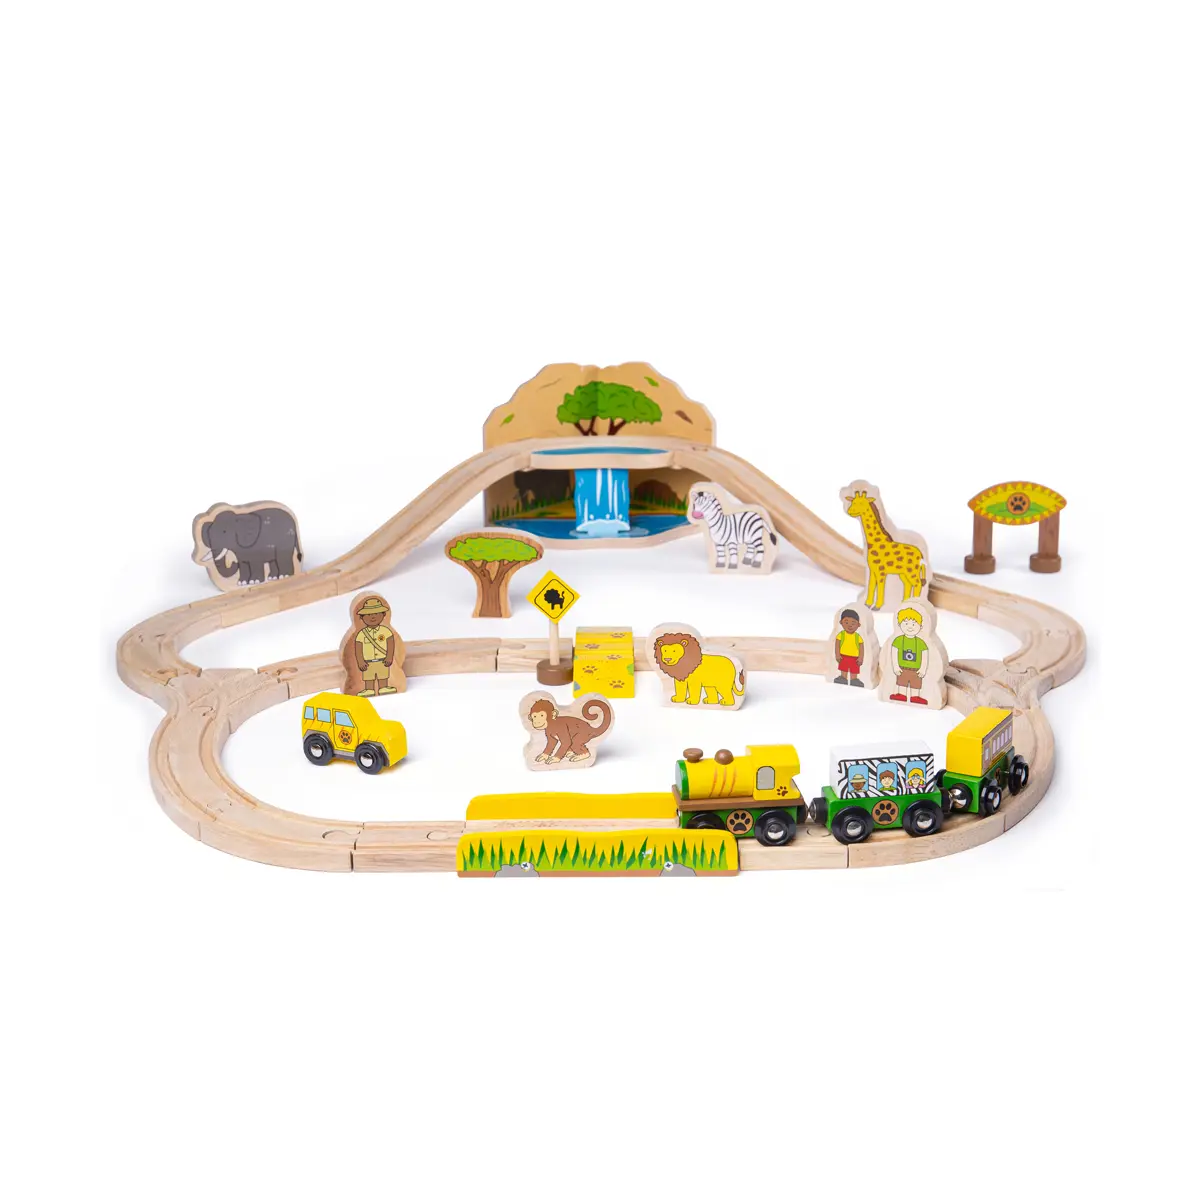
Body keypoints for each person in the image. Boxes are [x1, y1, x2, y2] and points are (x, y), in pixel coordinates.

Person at [353, 596, 397, 697]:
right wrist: (360, 661)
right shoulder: (362, 634)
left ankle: (383, 687)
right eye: (368, 614)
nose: (372, 617)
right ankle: (369, 689)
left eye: (376, 614)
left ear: (383, 614)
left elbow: (391, 644)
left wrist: (389, 657)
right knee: (368, 677)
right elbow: (358, 648)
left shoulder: (386, 631)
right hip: (368, 663)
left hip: (382, 661)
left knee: (383, 675)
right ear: (362, 617)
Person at [889, 606, 929, 704]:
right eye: (906, 623)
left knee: (916, 683)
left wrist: (923, 669)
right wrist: (895, 667)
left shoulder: (920, 642)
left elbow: (925, 655)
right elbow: (894, 653)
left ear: (921, 627)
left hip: (916, 669)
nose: (910, 627)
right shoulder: (898, 640)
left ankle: (915, 696)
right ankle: (901, 695)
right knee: (902, 682)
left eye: (914, 624)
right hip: (902, 668)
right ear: (899, 625)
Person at [832, 608, 865, 687]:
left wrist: (861, 658)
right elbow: (837, 645)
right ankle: (843, 678)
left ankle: (854, 679)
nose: (850, 625)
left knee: (854, 669)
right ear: (841, 622)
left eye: (853, 623)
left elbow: (861, 647)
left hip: (855, 657)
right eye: (846, 622)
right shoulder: (841, 635)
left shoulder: (857, 637)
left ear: (858, 625)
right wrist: (837, 655)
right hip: (843, 656)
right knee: (844, 668)